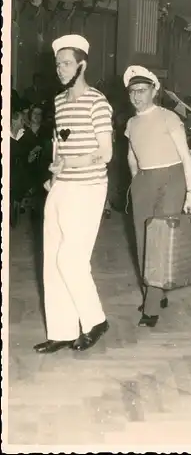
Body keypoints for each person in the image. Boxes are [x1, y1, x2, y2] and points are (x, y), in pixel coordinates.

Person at [34, 34, 113, 354]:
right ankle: (62, 331)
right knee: (52, 258)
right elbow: (59, 143)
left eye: (66, 63)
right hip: (62, 185)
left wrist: (71, 162)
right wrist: (55, 169)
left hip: (88, 186)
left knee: (71, 258)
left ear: (83, 64)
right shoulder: (58, 102)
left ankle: (95, 321)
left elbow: (105, 153)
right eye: (57, 64)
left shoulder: (97, 101)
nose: (60, 69)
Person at [124, 65, 191, 328]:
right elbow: (132, 154)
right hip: (144, 180)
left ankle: (152, 305)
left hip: (172, 180)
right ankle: (158, 292)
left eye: (142, 91)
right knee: (143, 241)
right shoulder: (131, 123)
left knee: (159, 240)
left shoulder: (169, 117)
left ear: (154, 91)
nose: (137, 97)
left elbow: (186, 156)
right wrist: (136, 179)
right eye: (132, 92)